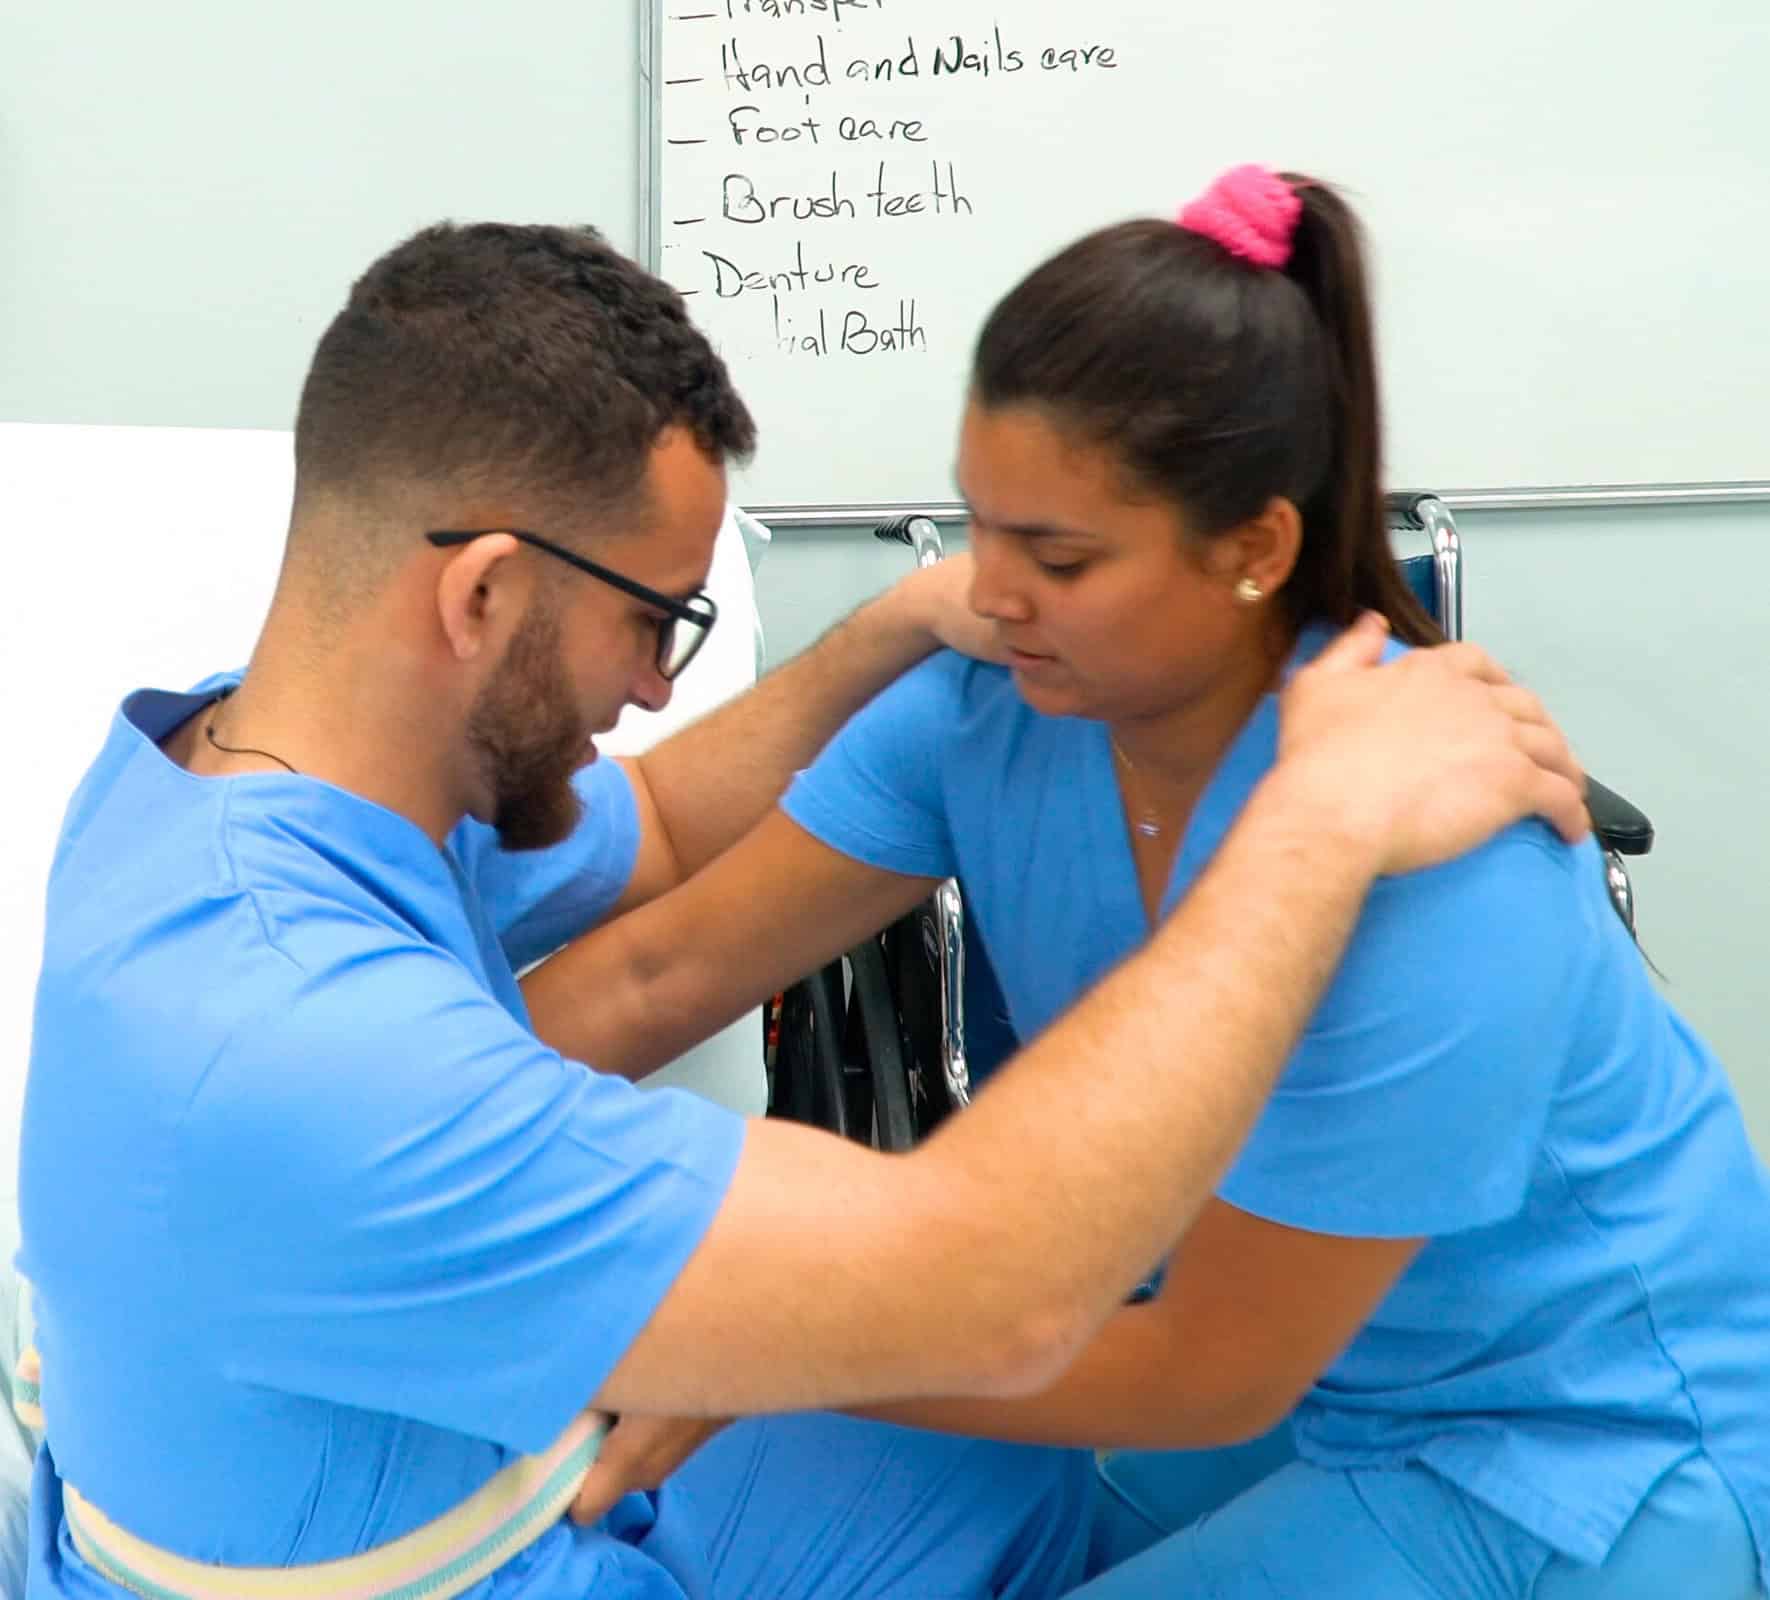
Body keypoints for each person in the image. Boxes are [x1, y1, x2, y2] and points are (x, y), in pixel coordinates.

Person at [19, 218, 1585, 1600]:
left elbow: (652, 837)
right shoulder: (313, 1049)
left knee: (1007, 1480)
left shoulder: (228, 778)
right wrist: (1317, 822)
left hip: (380, 1442)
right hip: (454, 1544)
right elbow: (1008, 1294)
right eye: (653, 620)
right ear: (482, 593)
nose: (653, 684)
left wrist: (887, 628)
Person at [527, 169, 1770, 1600]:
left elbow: (1206, 1372)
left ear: (1252, 548)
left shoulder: (1435, 842)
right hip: (1303, 1389)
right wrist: (362, 1159)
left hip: (1571, 1450)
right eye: (978, 525)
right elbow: (653, 975)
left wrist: (773, 1344)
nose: (987, 593)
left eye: (1056, 556)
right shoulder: (986, 714)